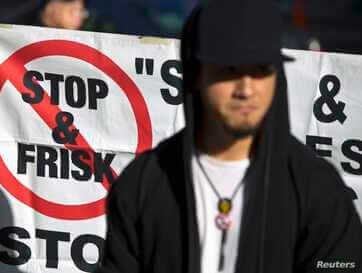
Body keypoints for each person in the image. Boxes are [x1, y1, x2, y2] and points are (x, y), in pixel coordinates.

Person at [94, 1, 362, 273]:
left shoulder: (317, 189)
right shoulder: (143, 185)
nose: (246, 89)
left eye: (261, 70)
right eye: (229, 70)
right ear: (195, 74)